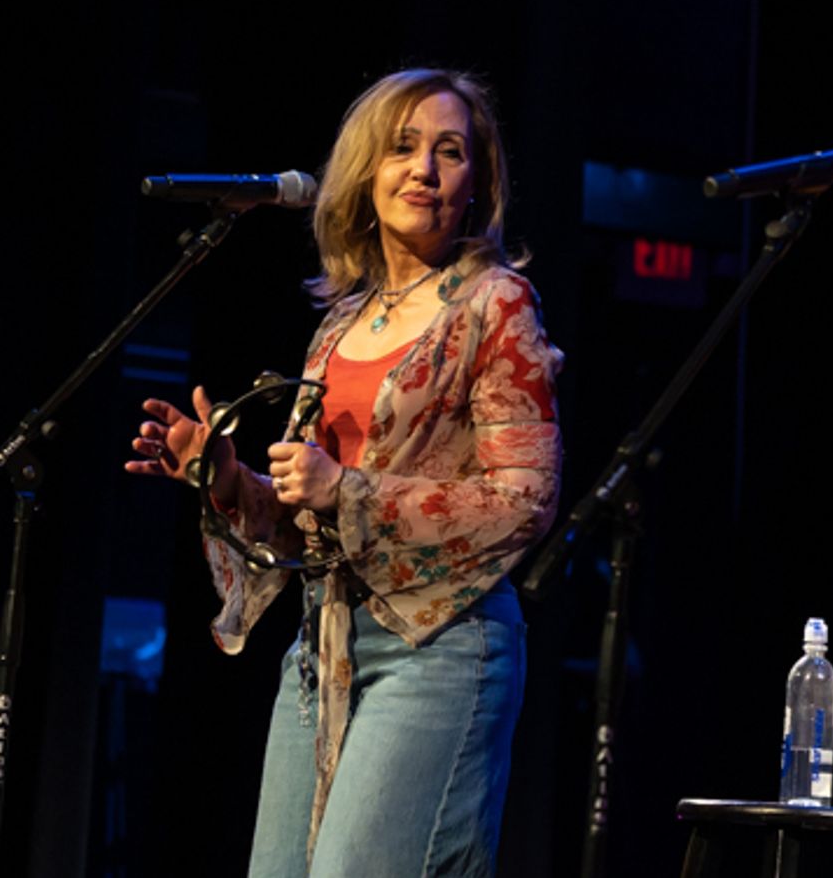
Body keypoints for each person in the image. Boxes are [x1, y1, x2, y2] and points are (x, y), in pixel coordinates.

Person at [126, 69, 562, 876]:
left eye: (450, 151)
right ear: (366, 170)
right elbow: (305, 522)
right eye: (403, 147)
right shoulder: (338, 326)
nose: (424, 169)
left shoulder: (495, 303)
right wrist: (225, 479)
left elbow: (525, 498)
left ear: (477, 183)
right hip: (323, 649)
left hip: (439, 644)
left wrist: (347, 489)